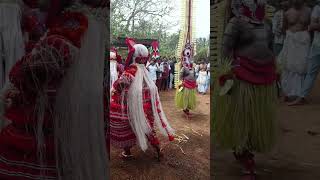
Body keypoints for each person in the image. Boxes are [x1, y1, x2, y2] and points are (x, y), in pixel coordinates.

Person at [0, 0, 108, 179]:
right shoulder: (98, 28)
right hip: (81, 130)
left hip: (50, 133)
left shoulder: (73, 24)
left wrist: (16, 82)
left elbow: (40, 66)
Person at [213, 0, 277, 175]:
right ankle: (243, 153)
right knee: (242, 119)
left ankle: (248, 150)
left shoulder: (267, 24)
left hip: (264, 78)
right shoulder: (236, 23)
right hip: (242, 79)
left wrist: (275, 70)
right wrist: (226, 75)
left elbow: (271, 48)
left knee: (258, 120)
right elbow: (225, 52)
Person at [110, 38, 174, 161]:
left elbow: (120, 85)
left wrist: (115, 86)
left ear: (133, 55)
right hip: (146, 107)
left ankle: (127, 152)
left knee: (125, 126)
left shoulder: (131, 70)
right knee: (149, 129)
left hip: (132, 108)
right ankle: (158, 151)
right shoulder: (145, 71)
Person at [278, 0, 311, 105]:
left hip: (304, 42)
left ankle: (301, 95)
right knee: (287, 67)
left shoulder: (309, 11)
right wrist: (292, 35)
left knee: (302, 67)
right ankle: (286, 94)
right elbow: (283, 29)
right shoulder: (287, 13)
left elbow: (311, 27)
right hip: (290, 41)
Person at [292, 0, 320, 105]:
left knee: (310, 73)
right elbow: (312, 26)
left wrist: (316, 25)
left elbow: (313, 25)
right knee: (310, 72)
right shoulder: (317, 8)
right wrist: (315, 25)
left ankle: (302, 97)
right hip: (317, 45)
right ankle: (302, 97)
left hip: (316, 45)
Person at [0, 0, 25, 89]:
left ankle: (11, 92)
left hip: (12, 11)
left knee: (13, 55)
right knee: (13, 55)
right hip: (11, 10)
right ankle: (11, 91)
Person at [175, 43, 197, 116]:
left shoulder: (193, 68)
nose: (190, 60)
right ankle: (185, 109)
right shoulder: (184, 67)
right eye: (189, 59)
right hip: (186, 84)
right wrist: (182, 82)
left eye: (191, 59)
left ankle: (187, 108)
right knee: (185, 97)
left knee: (191, 97)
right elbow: (180, 76)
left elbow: (194, 75)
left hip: (192, 84)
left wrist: (195, 81)